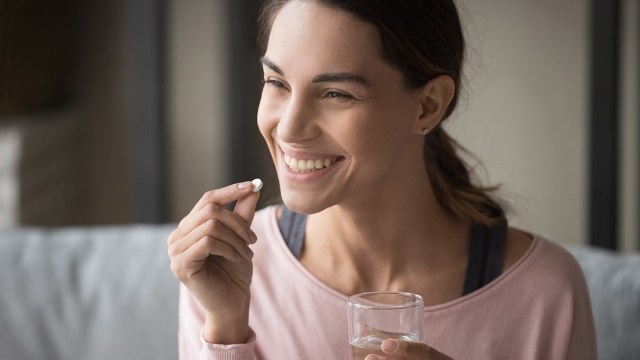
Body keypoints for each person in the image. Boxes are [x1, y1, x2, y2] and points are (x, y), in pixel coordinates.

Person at [167, 0, 597, 359]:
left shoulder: (545, 295)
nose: (289, 129)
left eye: (336, 93)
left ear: (428, 106)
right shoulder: (225, 267)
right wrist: (225, 329)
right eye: (277, 82)